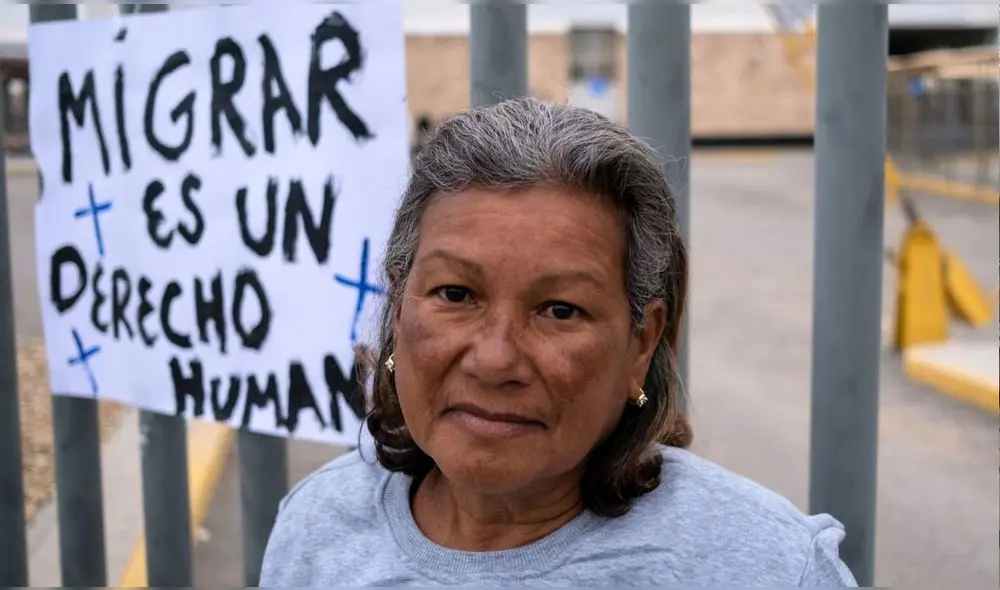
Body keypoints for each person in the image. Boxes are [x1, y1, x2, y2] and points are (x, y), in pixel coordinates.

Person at [259, 98, 858, 587]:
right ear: (398, 307)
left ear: (641, 345)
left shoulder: (767, 568)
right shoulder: (316, 529)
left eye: (560, 310)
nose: (495, 360)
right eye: (455, 294)